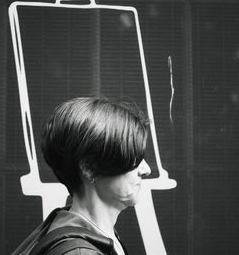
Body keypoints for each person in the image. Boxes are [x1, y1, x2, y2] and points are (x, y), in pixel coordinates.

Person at [13, 97, 151, 255]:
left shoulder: (94, 237)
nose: (146, 170)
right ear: (89, 168)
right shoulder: (79, 252)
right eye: (134, 158)